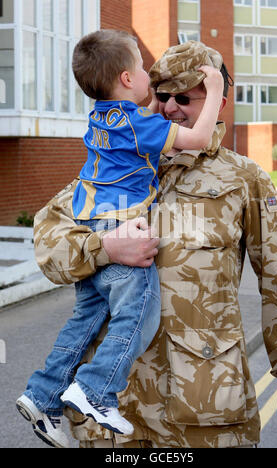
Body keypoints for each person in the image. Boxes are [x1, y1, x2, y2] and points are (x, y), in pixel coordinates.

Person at [32, 40, 277, 449]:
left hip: (206, 415)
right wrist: (104, 248)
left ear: (217, 102)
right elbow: (48, 241)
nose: (171, 106)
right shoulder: (116, 161)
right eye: (161, 94)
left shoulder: (244, 180)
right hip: (111, 418)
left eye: (185, 97)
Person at [16, 31, 224, 449]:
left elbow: (138, 122)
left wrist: (148, 103)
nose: (162, 97)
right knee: (140, 313)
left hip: (91, 217)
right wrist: (215, 87)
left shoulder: (103, 118)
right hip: (120, 224)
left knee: (86, 320)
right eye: (146, 73)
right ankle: (94, 389)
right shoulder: (141, 125)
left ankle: (43, 395)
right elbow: (198, 140)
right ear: (128, 78)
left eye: (183, 98)